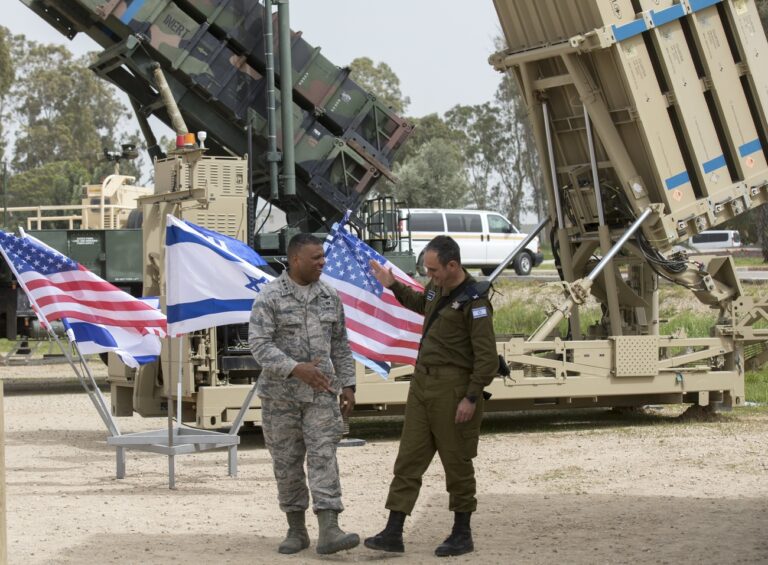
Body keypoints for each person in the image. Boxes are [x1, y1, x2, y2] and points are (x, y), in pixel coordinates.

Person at [364, 235, 498, 557]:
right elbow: (420, 303)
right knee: (408, 458)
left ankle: (462, 533)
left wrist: (470, 398)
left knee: (457, 462)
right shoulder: (438, 289)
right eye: (427, 269)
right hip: (422, 387)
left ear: (453, 265)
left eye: (434, 269)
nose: (429, 275)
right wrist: (393, 285)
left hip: (453, 393)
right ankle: (394, 531)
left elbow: (487, 359)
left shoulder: (474, 302)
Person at [248, 233, 359, 555]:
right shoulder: (269, 297)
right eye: (316, 258)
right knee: (287, 463)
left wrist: (349, 385)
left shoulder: (329, 296)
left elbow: (340, 343)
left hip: (323, 394)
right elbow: (259, 345)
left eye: (323, 257)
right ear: (296, 259)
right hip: (280, 398)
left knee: (324, 456)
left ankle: (330, 529)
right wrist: (296, 368)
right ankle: (296, 530)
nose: (322, 262)